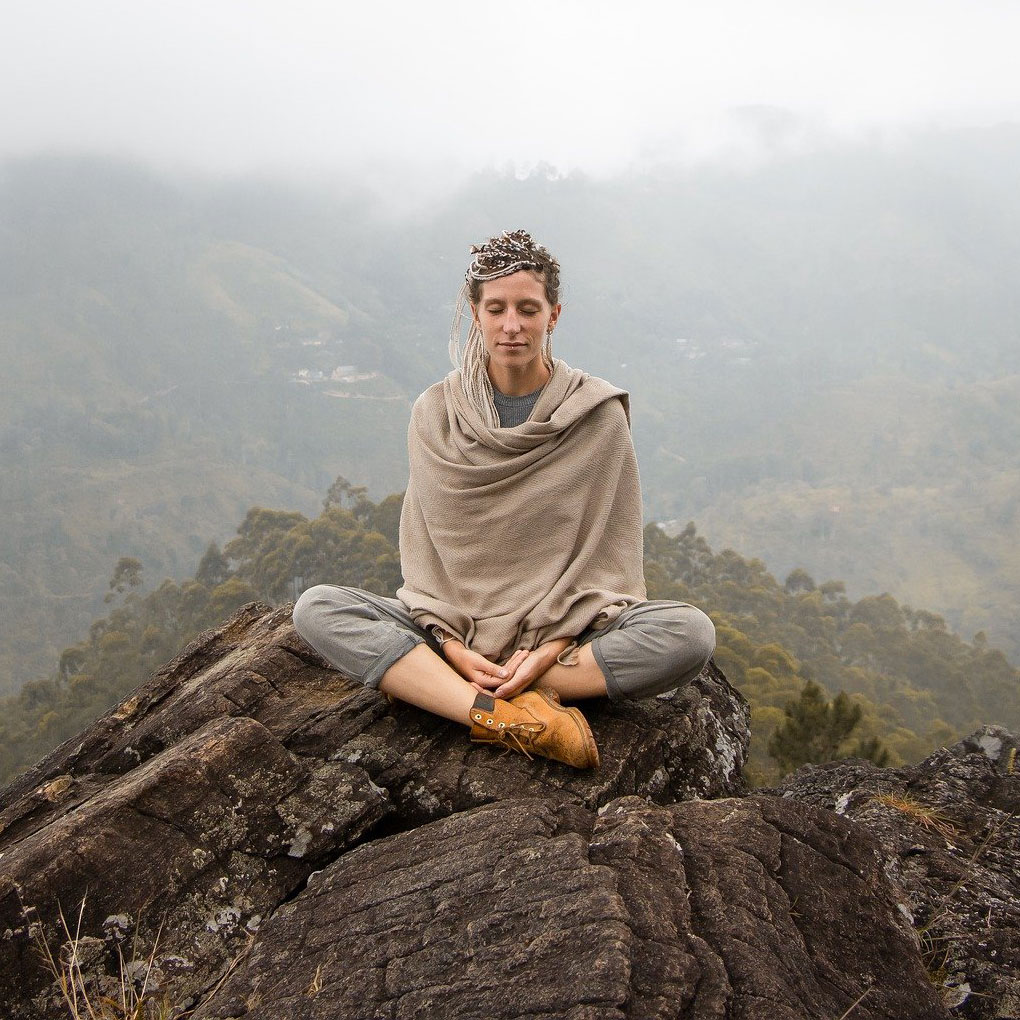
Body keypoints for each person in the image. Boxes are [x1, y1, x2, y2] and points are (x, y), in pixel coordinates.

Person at [293, 229, 715, 769]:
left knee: (689, 634)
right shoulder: (437, 413)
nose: (511, 325)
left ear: (553, 315)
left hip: (561, 633)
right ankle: (503, 715)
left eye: (527, 309)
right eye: (496, 309)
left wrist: (542, 651)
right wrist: (450, 644)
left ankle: (464, 693)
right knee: (318, 609)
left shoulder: (595, 415)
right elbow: (428, 553)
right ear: (476, 315)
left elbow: (605, 557)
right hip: (454, 627)